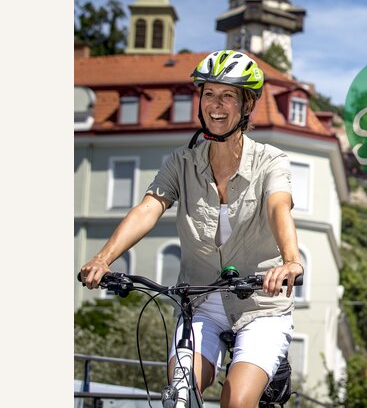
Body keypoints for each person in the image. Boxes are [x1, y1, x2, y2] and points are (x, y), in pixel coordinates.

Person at [79, 50, 304, 408]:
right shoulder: (180, 163)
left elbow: (280, 206)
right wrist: (103, 259)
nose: (216, 105)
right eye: (209, 94)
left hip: (262, 303)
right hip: (200, 303)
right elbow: (148, 208)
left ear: (247, 106)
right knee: (180, 394)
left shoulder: (270, 161)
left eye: (228, 95)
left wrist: (291, 260)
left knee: (237, 400)